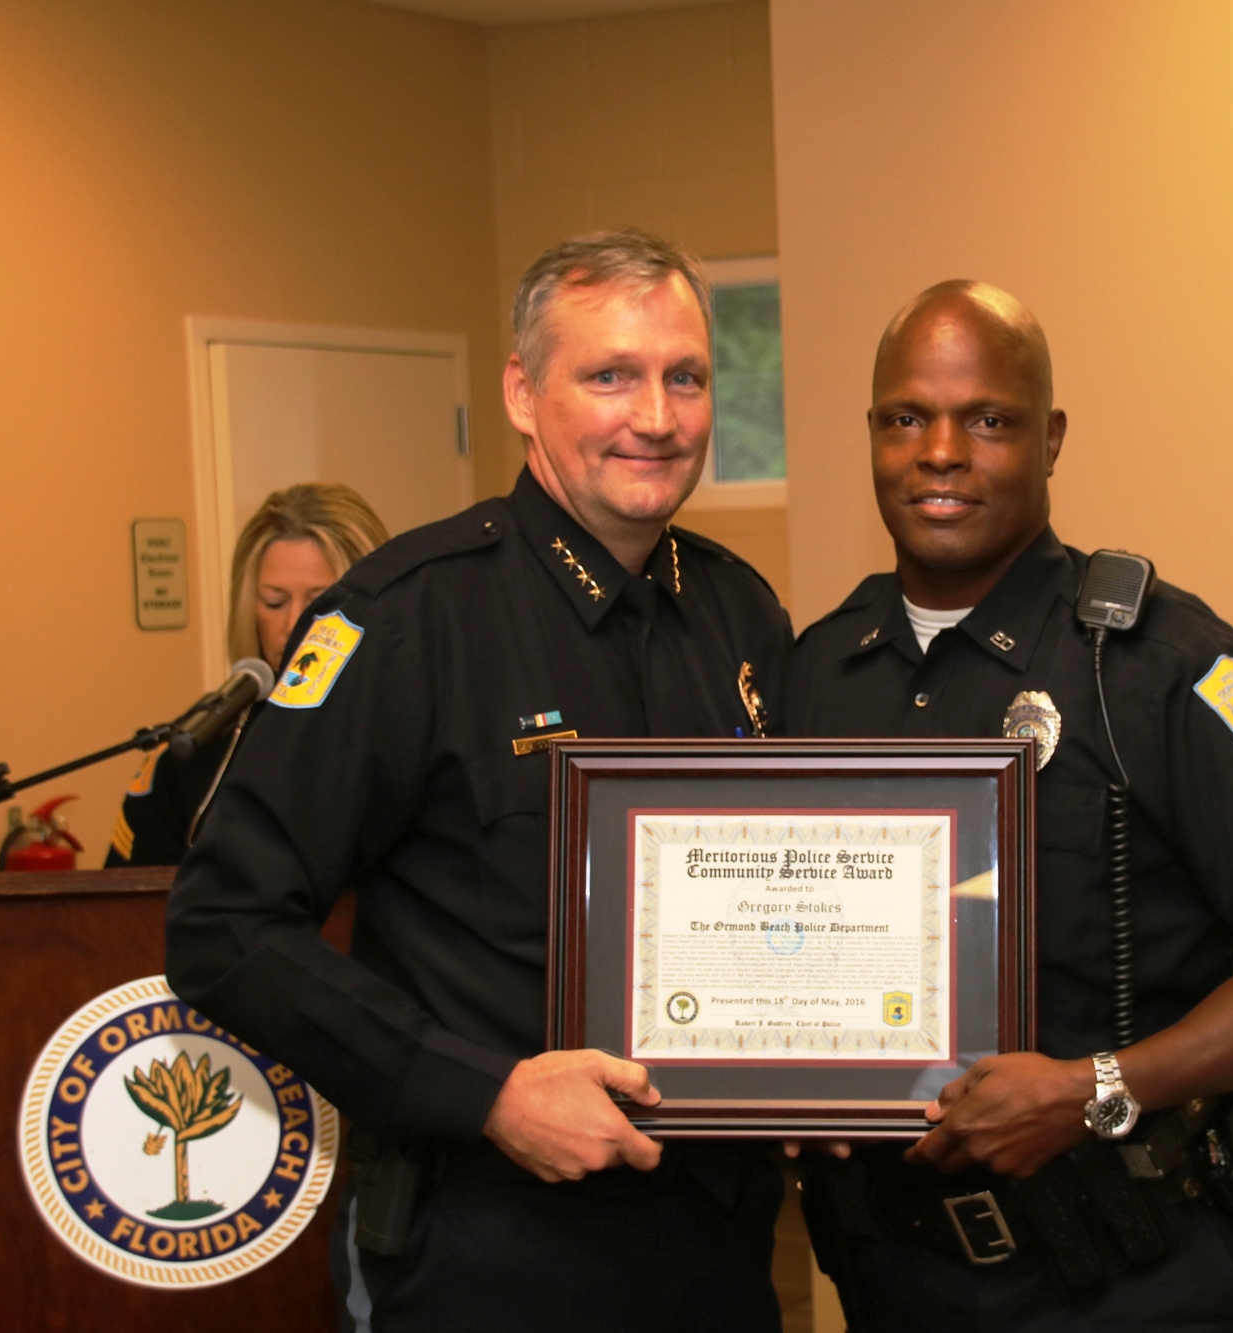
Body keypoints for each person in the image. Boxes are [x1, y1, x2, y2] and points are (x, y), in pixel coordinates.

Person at [165, 230, 792, 1332]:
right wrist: (487, 1093)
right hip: (491, 1246)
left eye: (682, 377)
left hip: (716, 1243)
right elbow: (223, 925)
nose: (655, 416)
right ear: (520, 390)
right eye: (609, 375)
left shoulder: (740, 613)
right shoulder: (407, 616)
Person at [787, 281, 1233, 1331]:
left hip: (1129, 1282)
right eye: (904, 418)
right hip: (891, 1282)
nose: (939, 450)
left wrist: (1090, 1086)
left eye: (987, 420)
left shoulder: (1158, 663)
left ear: (1049, 438)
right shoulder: (815, 677)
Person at [105, 482, 388, 867]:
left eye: (320, 602)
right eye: (274, 602)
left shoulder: (413, 735)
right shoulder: (197, 749)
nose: (293, 625)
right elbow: (127, 911)